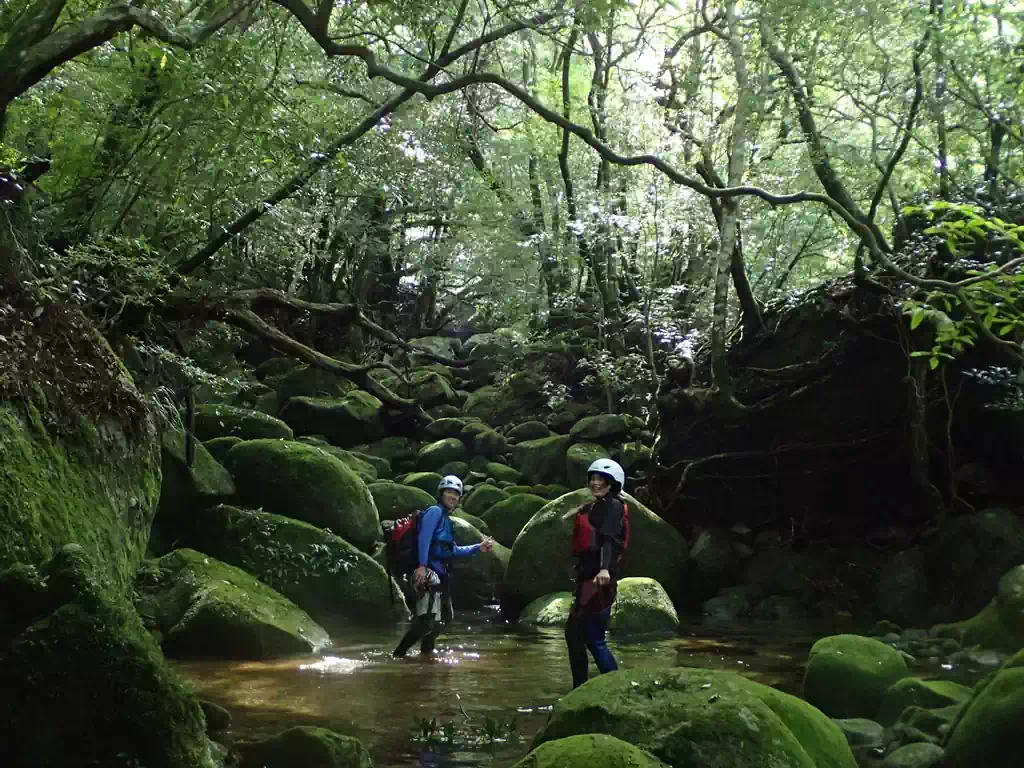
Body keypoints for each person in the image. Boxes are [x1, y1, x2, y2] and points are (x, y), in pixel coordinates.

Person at [392, 475, 495, 658]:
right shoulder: (434, 512)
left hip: (441, 574)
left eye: (456, 494)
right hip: (428, 573)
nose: (453, 496)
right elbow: (424, 538)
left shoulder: (446, 521)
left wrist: (478, 548)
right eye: (449, 492)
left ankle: (426, 655)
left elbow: (452, 551)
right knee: (426, 621)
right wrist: (421, 566)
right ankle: (398, 655)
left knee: (445, 618)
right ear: (441, 494)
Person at [565, 458, 627, 688]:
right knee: (582, 637)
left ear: (612, 484)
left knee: (590, 637)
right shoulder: (597, 507)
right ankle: (582, 687)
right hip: (587, 579)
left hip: (599, 581)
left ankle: (612, 686)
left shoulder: (614, 506)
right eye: (593, 478)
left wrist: (604, 569)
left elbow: (608, 539)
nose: (595, 483)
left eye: (601, 479)